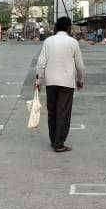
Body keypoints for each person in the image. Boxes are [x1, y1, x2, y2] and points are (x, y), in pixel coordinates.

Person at [35, 16, 85, 153]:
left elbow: (41, 63)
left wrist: (39, 81)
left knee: (52, 112)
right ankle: (59, 143)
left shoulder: (48, 41)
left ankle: (53, 141)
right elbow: (80, 66)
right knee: (63, 113)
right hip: (67, 83)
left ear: (56, 27)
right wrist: (80, 80)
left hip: (50, 82)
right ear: (69, 27)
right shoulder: (73, 42)